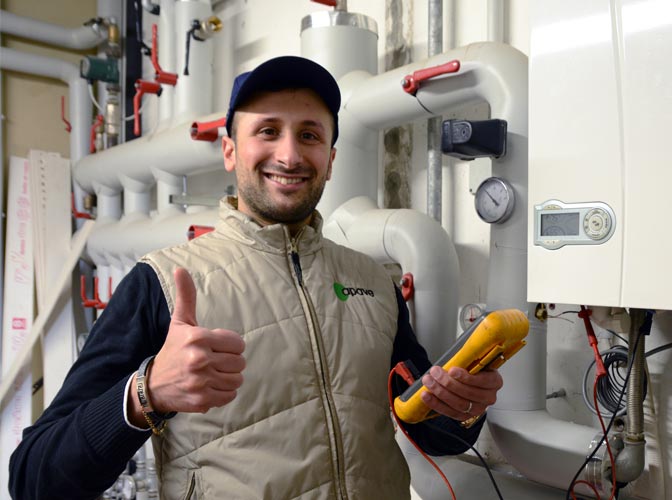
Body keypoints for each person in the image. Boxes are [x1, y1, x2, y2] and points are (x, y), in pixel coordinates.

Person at [9, 56, 503, 500]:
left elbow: (439, 437)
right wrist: (147, 394)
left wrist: (462, 407)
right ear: (229, 151)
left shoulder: (373, 282)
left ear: (331, 159)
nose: (289, 155)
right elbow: (35, 478)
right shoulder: (161, 282)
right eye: (267, 131)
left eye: (309, 135)